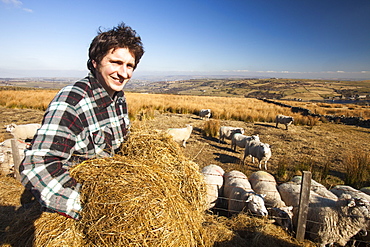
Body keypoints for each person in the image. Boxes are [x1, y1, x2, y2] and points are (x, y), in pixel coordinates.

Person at [19, 23, 145, 220]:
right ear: (95, 62)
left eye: (129, 66)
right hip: (80, 210)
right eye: (115, 62)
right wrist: (89, 208)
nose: (124, 73)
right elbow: (37, 166)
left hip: (110, 194)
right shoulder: (72, 100)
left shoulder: (119, 99)